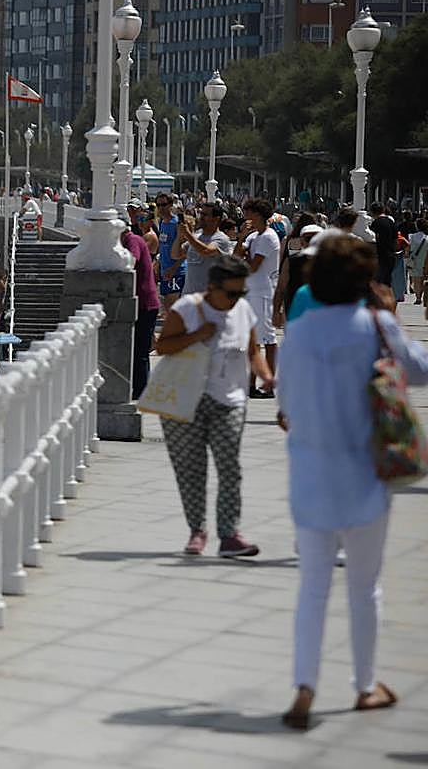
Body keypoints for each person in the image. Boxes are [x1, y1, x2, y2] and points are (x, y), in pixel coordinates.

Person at [276, 236, 428, 729]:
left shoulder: (296, 333)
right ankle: (364, 686)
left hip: (310, 476)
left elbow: (288, 406)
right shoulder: (376, 326)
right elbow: (420, 370)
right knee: (365, 588)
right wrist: (390, 319)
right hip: (364, 474)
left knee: (312, 588)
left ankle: (304, 685)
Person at [153, 255, 274, 558]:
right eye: (231, 293)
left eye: (241, 292)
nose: (236, 299)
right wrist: (196, 336)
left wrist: (266, 375)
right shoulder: (187, 310)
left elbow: (253, 349)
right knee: (191, 471)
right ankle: (198, 530)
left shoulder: (243, 310)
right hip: (185, 401)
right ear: (212, 287)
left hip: (230, 400)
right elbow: (162, 346)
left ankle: (230, 535)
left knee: (230, 467)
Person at [235, 198, 281, 397]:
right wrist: (241, 238)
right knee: (252, 340)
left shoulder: (268, 237)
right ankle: (250, 383)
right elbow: (236, 257)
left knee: (267, 339)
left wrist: (244, 258)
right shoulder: (254, 237)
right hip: (251, 291)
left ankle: (268, 382)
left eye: (249, 213)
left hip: (263, 292)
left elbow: (253, 267)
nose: (245, 216)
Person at [122, 221, 160, 400]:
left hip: (145, 303)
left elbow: (131, 260)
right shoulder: (131, 239)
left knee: (140, 351)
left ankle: (141, 391)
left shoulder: (133, 240)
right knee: (138, 350)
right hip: (142, 302)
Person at [172, 203, 232, 297]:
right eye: (201, 213)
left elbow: (206, 251)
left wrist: (188, 234)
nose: (201, 217)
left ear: (216, 219)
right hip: (188, 298)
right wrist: (179, 236)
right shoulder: (196, 237)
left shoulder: (221, 239)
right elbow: (175, 255)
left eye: (205, 215)